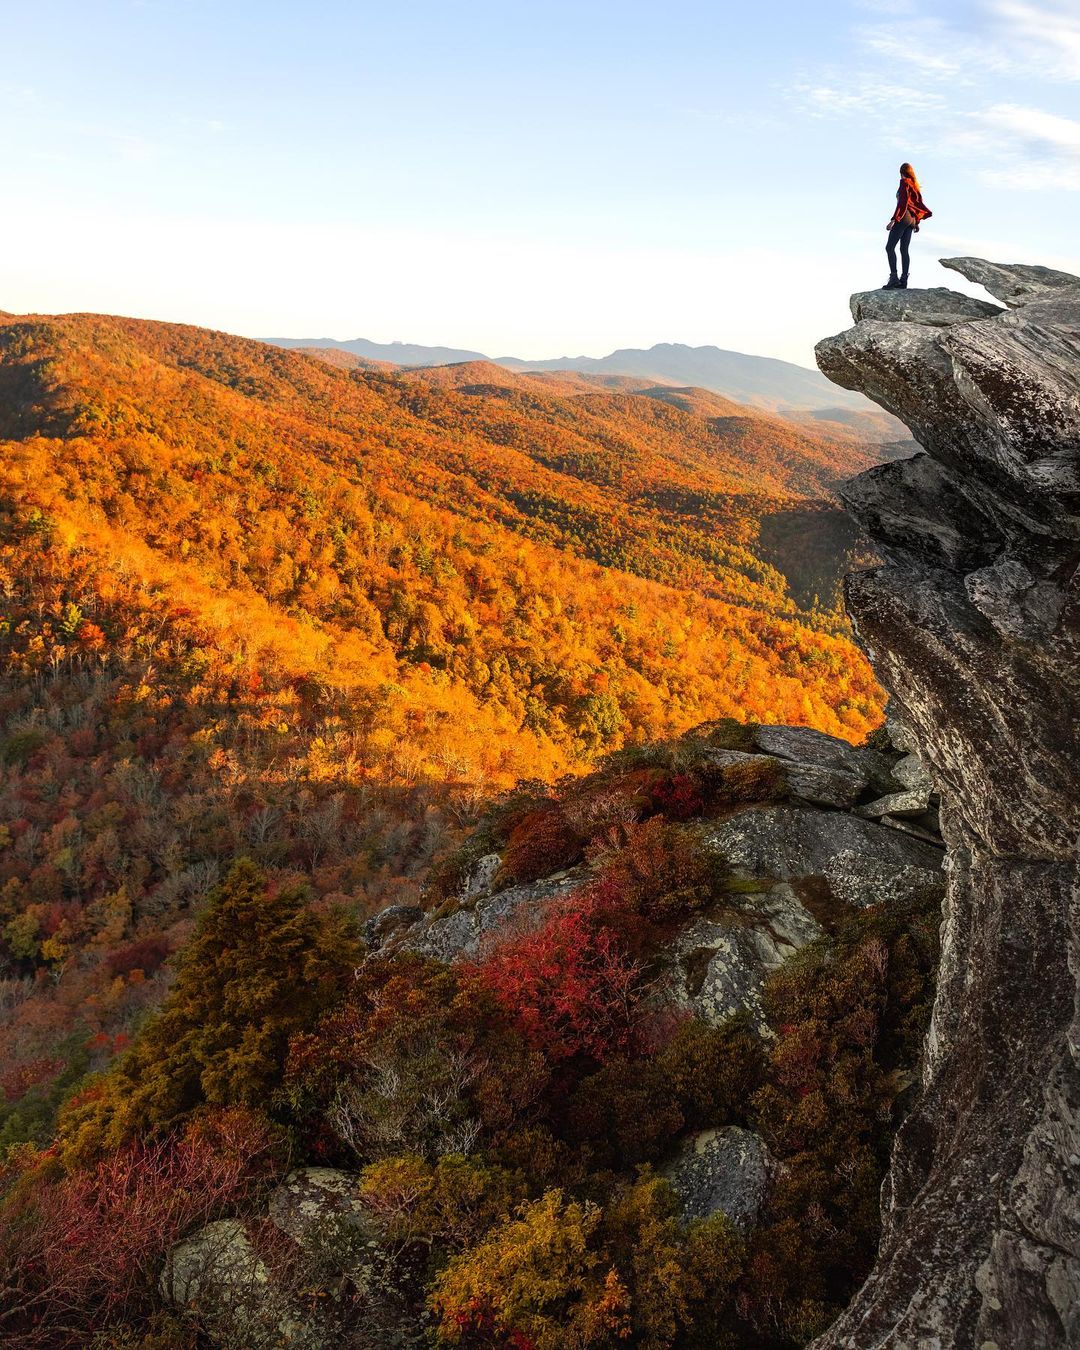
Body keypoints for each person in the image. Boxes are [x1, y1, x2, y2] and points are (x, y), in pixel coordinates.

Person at [883, 163, 932, 290]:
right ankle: (903, 281)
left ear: (901, 172)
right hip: (911, 220)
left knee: (889, 247)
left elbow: (903, 203)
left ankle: (894, 278)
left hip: (904, 217)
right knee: (904, 250)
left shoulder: (904, 182)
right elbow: (916, 204)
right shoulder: (914, 186)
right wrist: (916, 222)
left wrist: (894, 219)